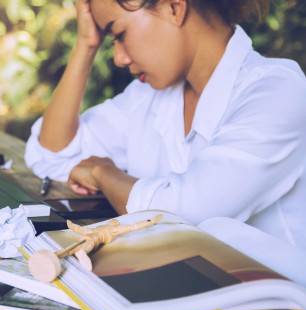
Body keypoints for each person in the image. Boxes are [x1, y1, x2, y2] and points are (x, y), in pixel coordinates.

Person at [25, 0, 306, 248]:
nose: (119, 58)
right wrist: (85, 44)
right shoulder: (148, 98)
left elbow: (184, 214)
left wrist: (103, 172)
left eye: (119, 34)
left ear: (174, 6)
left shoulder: (278, 90)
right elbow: (52, 155)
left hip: (283, 303)